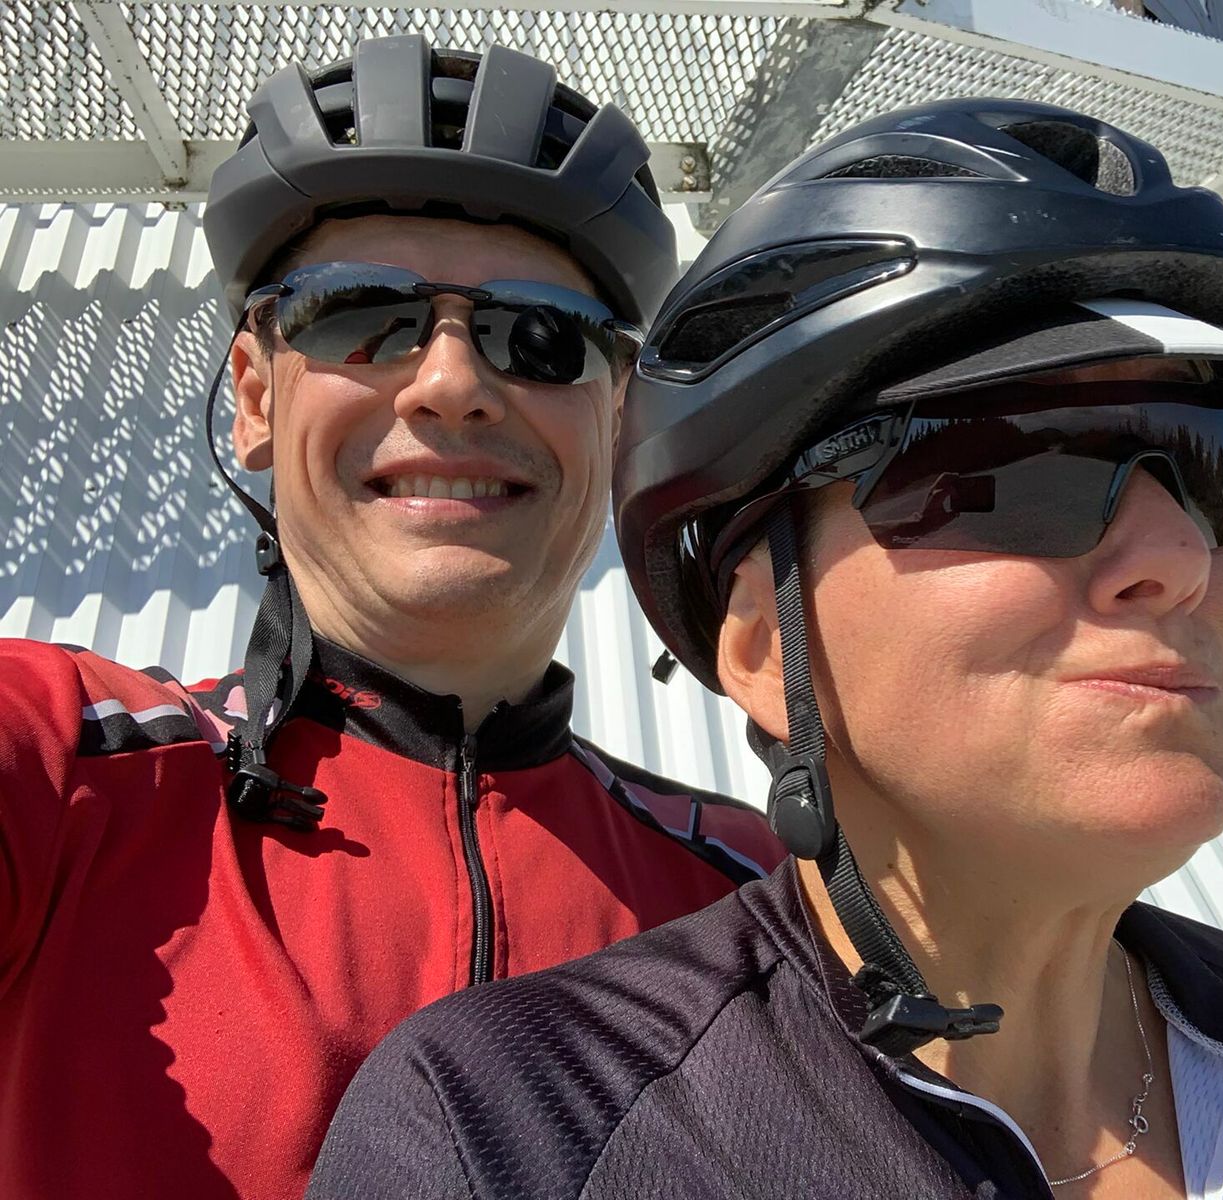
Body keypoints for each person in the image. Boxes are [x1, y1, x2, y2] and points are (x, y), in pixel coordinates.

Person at [310, 99, 1223, 1198]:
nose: (1180, 556)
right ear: (761, 642)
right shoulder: (518, 1133)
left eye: (1211, 473)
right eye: (1016, 471)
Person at [0, 35, 782, 1200]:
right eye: (359, 313)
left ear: (617, 425)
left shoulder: (754, 892)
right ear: (255, 398)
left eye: (541, 336)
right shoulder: (67, 764)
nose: (452, 384)